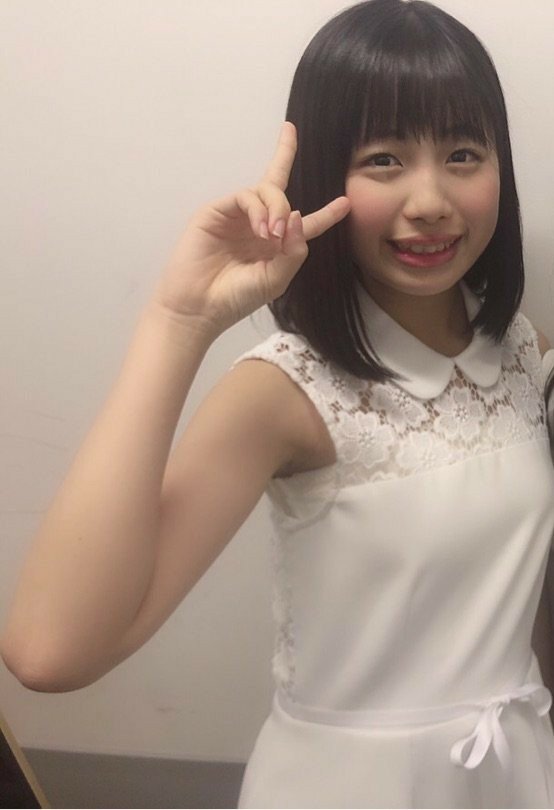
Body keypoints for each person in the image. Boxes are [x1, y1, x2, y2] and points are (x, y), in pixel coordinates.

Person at [2, 0, 554, 806]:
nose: (431, 198)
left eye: (463, 153)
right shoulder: (284, 392)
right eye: (384, 159)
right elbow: (50, 651)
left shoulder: (523, 353)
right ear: (324, 174)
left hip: (517, 770)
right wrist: (178, 321)